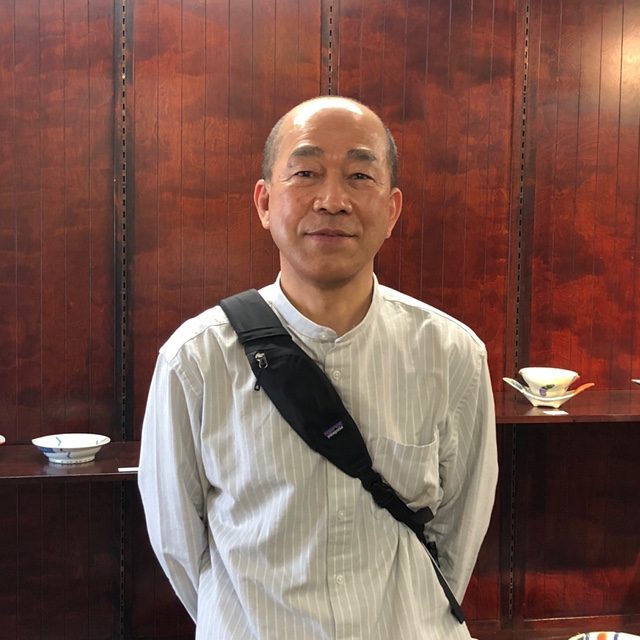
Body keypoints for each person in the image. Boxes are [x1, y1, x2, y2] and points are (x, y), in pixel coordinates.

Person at [138, 95, 498, 639]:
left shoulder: (451, 355)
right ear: (264, 202)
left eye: (359, 176)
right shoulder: (196, 360)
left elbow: (458, 532)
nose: (332, 201)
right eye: (305, 173)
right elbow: (178, 544)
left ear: (392, 210)